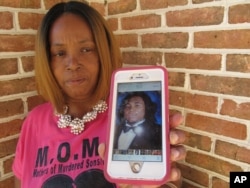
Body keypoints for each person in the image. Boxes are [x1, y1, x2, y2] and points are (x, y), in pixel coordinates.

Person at [12, 1, 186, 188]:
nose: (72, 63)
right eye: (60, 53)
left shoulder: (123, 118)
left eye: (86, 49)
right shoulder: (34, 122)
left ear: (104, 52)